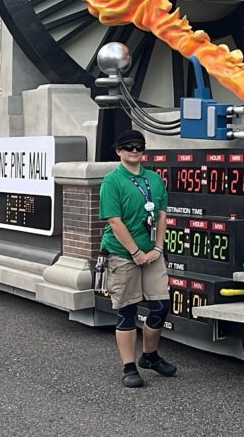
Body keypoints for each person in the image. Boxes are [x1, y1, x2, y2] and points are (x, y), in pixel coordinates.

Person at [99, 129, 178, 388]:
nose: (135, 150)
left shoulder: (155, 179)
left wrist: (157, 248)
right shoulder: (112, 181)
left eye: (139, 146)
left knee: (160, 306)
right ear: (119, 151)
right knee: (127, 311)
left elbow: (163, 215)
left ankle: (150, 356)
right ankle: (129, 367)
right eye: (129, 146)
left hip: (151, 254)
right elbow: (114, 220)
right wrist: (135, 252)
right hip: (123, 254)